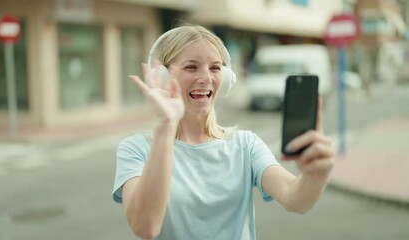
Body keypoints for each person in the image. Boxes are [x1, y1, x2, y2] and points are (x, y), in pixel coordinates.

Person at [112, 24, 335, 240]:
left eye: (215, 68)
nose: (206, 78)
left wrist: (316, 176)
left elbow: (295, 199)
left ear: (226, 78)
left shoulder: (246, 145)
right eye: (191, 67)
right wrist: (166, 126)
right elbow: (145, 227)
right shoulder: (136, 150)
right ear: (162, 75)